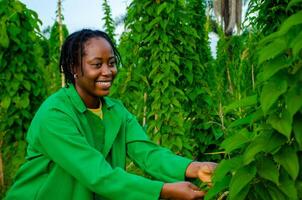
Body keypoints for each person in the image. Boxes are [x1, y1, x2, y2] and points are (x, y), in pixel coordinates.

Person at [5, 29, 216, 200]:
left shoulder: (116, 111)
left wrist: (195, 168)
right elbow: (96, 173)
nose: (107, 72)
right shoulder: (55, 115)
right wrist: (163, 190)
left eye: (112, 63)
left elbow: (148, 153)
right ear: (74, 68)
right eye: (97, 65)